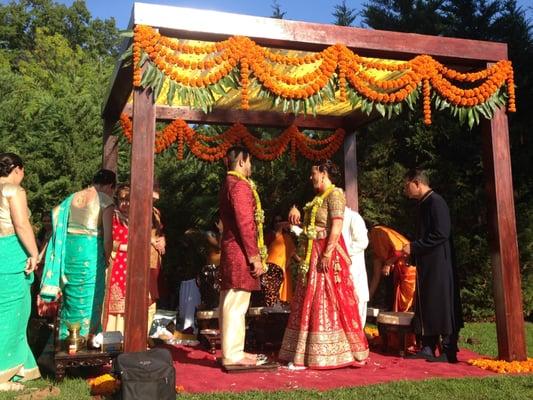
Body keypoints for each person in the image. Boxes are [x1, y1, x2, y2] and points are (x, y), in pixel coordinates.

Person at [279, 160, 369, 369]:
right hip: (313, 253)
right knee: (309, 298)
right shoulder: (318, 198)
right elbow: (312, 227)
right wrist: (298, 219)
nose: (311, 177)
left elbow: (336, 225)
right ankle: (305, 352)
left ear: (324, 172)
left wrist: (327, 254)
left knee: (328, 298)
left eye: (313, 173)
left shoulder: (335, 194)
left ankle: (340, 351)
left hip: (327, 255)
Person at [39, 169, 116, 340]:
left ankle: (66, 337)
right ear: (111, 186)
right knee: (89, 296)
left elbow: (57, 219)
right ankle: (86, 339)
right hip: (90, 253)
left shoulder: (71, 198)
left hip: (70, 251)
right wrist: (106, 256)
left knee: (70, 295)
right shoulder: (105, 200)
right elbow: (108, 238)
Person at [402, 169, 463, 363]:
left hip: (439, 263)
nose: (406, 190)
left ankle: (448, 349)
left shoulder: (436, 202)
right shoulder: (423, 204)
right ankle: (427, 346)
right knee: (426, 302)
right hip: (426, 263)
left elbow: (441, 233)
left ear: (417, 182)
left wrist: (414, 247)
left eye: (407, 185)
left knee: (441, 302)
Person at [218, 146, 267, 368]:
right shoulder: (239, 186)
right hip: (239, 252)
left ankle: (234, 350)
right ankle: (233, 354)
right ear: (240, 162)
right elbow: (246, 224)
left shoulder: (229, 183)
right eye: (249, 162)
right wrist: (255, 257)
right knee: (235, 303)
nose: (250, 166)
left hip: (233, 249)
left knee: (233, 302)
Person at [0, 153, 40, 390]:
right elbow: (21, 224)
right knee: (12, 312)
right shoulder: (13, 190)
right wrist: (34, 254)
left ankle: (19, 367)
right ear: (17, 169)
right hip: (10, 253)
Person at [368, 225, 416, 312]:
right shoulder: (374, 250)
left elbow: (402, 249)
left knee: (407, 300)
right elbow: (376, 277)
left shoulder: (377, 231)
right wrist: (367, 299)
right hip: (398, 273)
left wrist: (388, 263)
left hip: (408, 265)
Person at [102, 184, 130, 333]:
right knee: (113, 303)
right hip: (116, 262)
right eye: (122, 200)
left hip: (132, 265)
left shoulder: (137, 219)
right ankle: (110, 335)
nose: (125, 204)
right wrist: (122, 247)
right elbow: (106, 239)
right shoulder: (113, 216)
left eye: (128, 200)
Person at [262, 215, 299, 307]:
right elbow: (263, 250)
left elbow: (294, 254)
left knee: (285, 296)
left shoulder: (287, 237)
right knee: (272, 295)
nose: (279, 223)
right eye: (276, 221)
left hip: (285, 269)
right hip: (271, 271)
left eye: (281, 221)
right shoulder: (270, 235)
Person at [342, 207, 369, 326]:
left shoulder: (354, 217)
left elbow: (362, 242)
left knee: (356, 303)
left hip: (353, 270)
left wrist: (340, 253)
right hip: (337, 271)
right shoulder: (329, 218)